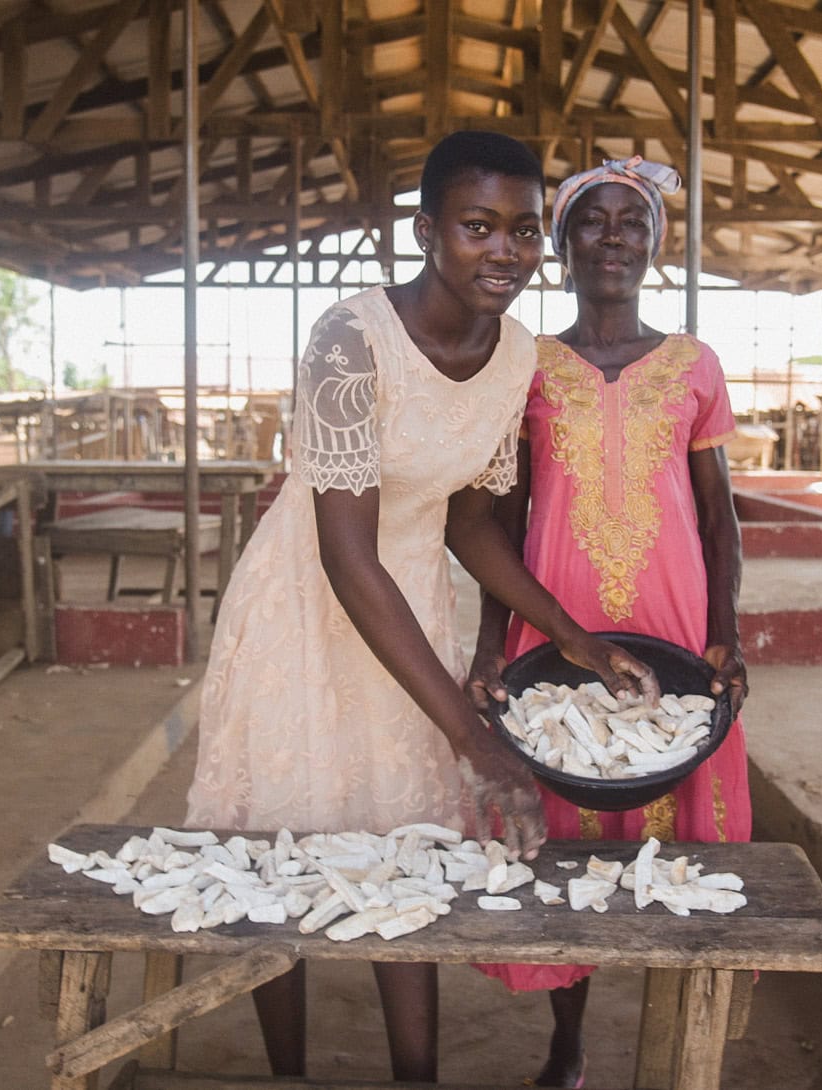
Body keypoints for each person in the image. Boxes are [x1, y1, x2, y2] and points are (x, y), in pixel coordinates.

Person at [184, 131, 656, 1084]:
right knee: (286, 854)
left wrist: (579, 640)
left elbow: (472, 526)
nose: (505, 253)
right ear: (426, 230)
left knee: (407, 857)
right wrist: (469, 734)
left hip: (410, 612)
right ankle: (289, 1075)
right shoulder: (350, 341)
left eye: (524, 232)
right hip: (309, 609)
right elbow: (344, 550)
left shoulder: (516, 349)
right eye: (478, 227)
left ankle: (416, 1077)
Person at [466, 156, 752, 1089]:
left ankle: (675, 1041)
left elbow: (718, 515)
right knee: (564, 829)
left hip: (672, 614)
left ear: (656, 245)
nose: (616, 237)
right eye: (593, 221)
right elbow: (500, 518)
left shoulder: (694, 366)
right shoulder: (526, 365)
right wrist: (485, 649)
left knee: (680, 832)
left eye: (635, 222)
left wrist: (729, 634)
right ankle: (570, 1037)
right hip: (555, 613)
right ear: (560, 244)